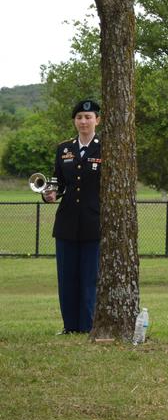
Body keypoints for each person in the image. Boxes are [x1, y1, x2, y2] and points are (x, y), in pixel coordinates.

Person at [42, 99, 102, 335]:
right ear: (75, 121)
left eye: (88, 117)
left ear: (97, 120)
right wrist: (51, 193)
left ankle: (87, 326)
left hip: (93, 222)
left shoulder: (106, 147)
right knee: (67, 278)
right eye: (79, 117)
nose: (83, 121)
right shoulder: (64, 149)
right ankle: (70, 326)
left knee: (89, 278)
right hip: (66, 224)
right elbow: (59, 182)